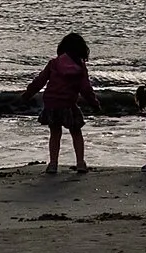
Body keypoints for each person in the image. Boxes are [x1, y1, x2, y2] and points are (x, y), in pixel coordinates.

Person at [24, 32, 100, 173]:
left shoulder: (54, 63)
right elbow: (86, 89)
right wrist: (94, 104)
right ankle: (80, 163)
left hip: (52, 103)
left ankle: (53, 164)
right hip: (69, 104)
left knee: (55, 133)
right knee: (76, 132)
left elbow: (39, 81)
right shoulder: (80, 67)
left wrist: (27, 95)